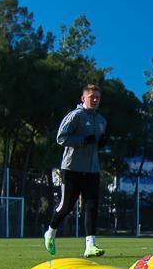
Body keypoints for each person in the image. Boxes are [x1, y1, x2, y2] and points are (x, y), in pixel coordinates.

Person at [45, 83, 107, 257]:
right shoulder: (75, 116)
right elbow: (61, 138)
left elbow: (98, 142)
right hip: (72, 169)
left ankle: (90, 245)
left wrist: (101, 144)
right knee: (66, 206)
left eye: (98, 98)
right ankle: (50, 232)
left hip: (92, 170)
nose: (95, 100)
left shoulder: (102, 121)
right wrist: (82, 140)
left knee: (91, 206)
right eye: (92, 97)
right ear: (83, 98)